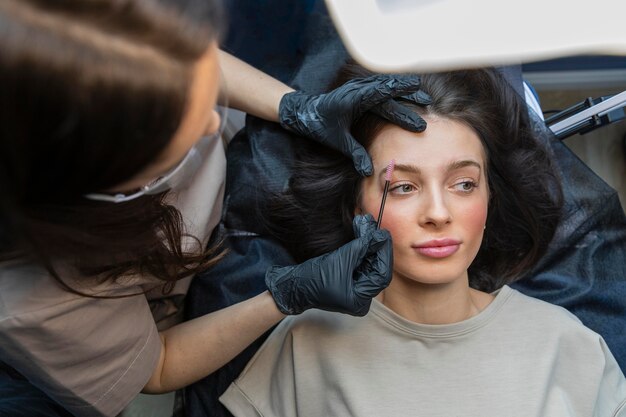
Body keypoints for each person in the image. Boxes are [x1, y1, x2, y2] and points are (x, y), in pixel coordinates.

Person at [0, 1, 432, 415]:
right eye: (180, 128)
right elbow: (157, 365)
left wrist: (295, 107)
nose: (213, 119)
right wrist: (286, 295)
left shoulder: (78, 28)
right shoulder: (31, 300)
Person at [219, 66, 626, 416]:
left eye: (464, 184)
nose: (437, 212)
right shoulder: (302, 346)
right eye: (403, 187)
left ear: (491, 197)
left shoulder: (569, 346)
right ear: (358, 207)